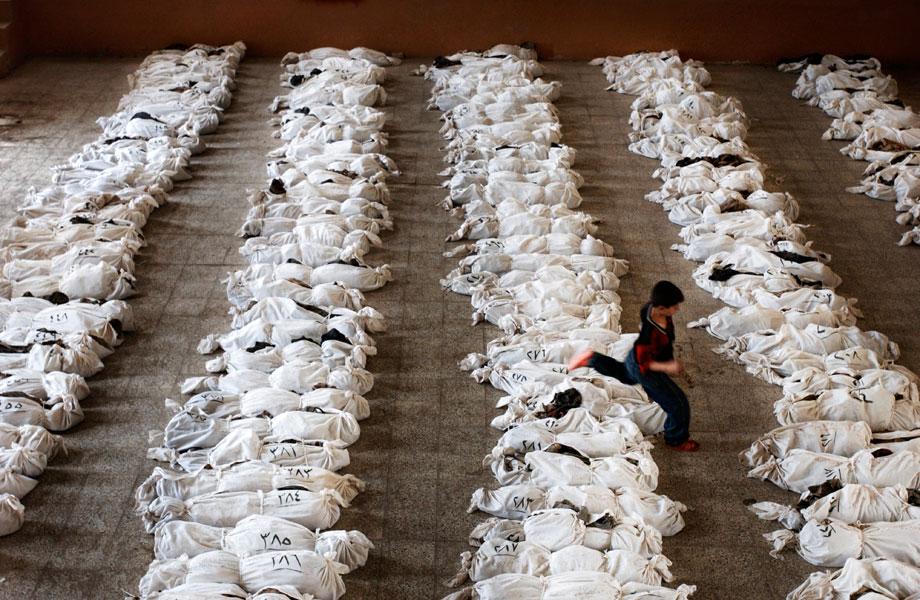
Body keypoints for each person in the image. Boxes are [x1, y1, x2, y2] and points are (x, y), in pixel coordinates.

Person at [568, 280, 699, 452]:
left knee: (625, 374)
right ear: (660, 308)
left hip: (634, 359)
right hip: (646, 368)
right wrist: (668, 367)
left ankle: (592, 358)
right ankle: (676, 439)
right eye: (673, 307)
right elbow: (645, 363)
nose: (677, 310)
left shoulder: (650, 309)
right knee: (677, 404)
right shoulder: (650, 335)